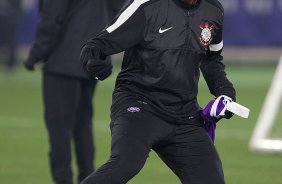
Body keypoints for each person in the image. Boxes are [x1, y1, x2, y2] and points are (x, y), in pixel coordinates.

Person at [80, 0, 236, 183]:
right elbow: (98, 44)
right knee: (124, 164)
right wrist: (92, 61)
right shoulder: (147, 5)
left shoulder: (214, 10)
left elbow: (211, 59)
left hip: (184, 115)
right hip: (139, 105)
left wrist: (225, 92)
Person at [24, 0, 124, 183]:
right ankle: (87, 179)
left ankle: (64, 180)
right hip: (92, 60)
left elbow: (53, 18)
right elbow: (117, 8)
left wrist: (36, 54)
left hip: (62, 60)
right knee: (83, 125)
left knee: (60, 131)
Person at [0, 0, 22, 73]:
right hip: (2, 20)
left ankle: (11, 65)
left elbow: (18, 6)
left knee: (11, 43)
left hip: (10, 22)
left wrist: (13, 15)